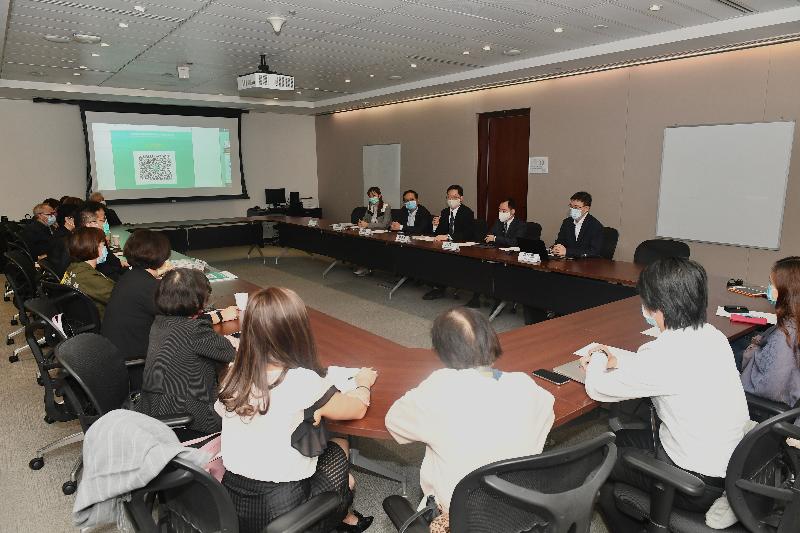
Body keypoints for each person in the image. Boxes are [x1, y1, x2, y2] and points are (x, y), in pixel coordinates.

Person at [582, 258, 750, 529]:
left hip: (694, 482)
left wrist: (599, 357)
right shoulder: (712, 335)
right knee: (619, 438)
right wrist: (620, 361)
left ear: (655, 308)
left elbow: (598, 388)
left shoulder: (663, 354)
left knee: (595, 461)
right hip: (732, 465)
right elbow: (666, 370)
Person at [216, 287, 376, 533]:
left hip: (233, 503)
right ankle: (344, 515)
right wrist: (364, 382)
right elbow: (356, 409)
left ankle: (349, 519)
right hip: (282, 510)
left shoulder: (233, 373)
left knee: (311, 434)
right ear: (295, 332)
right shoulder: (300, 380)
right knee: (338, 443)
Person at [385, 307, 555, 528]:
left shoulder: (438, 389)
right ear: (491, 339)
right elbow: (548, 412)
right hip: (521, 509)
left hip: (462, 518)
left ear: (440, 351)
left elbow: (395, 422)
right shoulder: (524, 385)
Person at [137, 268, 238, 439]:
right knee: (244, 412)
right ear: (197, 301)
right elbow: (230, 353)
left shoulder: (159, 323)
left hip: (154, 408)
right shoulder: (195, 330)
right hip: (190, 419)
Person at [740, 256, 800, 409]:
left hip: (763, 406)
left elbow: (770, 390)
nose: (768, 289)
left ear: (788, 292)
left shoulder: (785, 335)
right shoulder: (793, 324)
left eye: (771, 284)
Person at [423, 185, 478, 304]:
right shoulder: (444, 211)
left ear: (461, 198)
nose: (451, 199)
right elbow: (439, 233)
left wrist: (448, 236)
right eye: (449, 197)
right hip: (446, 246)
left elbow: (467, 233)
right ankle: (438, 288)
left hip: (462, 246)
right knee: (432, 256)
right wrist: (435, 226)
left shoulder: (467, 212)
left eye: (455, 197)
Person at [61, 227, 115, 319]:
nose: (105, 248)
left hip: (81, 319)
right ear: (92, 248)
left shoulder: (72, 268)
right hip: (105, 321)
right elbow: (121, 297)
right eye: (103, 245)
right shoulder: (89, 278)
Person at [76, 202, 127, 281]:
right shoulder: (82, 247)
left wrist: (123, 263)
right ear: (90, 224)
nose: (106, 224)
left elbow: (113, 260)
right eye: (103, 220)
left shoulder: (99, 238)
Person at [552, 191, 604, 258]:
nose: (572, 209)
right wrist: (557, 248)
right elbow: (560, 241)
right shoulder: (567, 222)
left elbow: (594, 252)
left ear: (586, 208)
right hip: (568, 261)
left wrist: (567, 252)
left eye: (576, 207)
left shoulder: (595, 226)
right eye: (571, 206)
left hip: (587, 264)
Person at [353, 186, 392, 276]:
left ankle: (367, 267)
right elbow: (365, 219)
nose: (372, 198)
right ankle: (362, 265)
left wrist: (367, 225)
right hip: (371, 232)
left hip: (383, 233)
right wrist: (361, 223)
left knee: (368, 245)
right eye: (370, 196)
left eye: (373, 195)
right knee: (359, 241)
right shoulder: (370, 206)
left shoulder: (386, 207)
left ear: (379, 196)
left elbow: (384, 225)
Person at [47, 202, 83, 277]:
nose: (81, 220)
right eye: (78, 218)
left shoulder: (61, 232)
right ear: (67, 219)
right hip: (68, 277)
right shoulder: (66, 239)